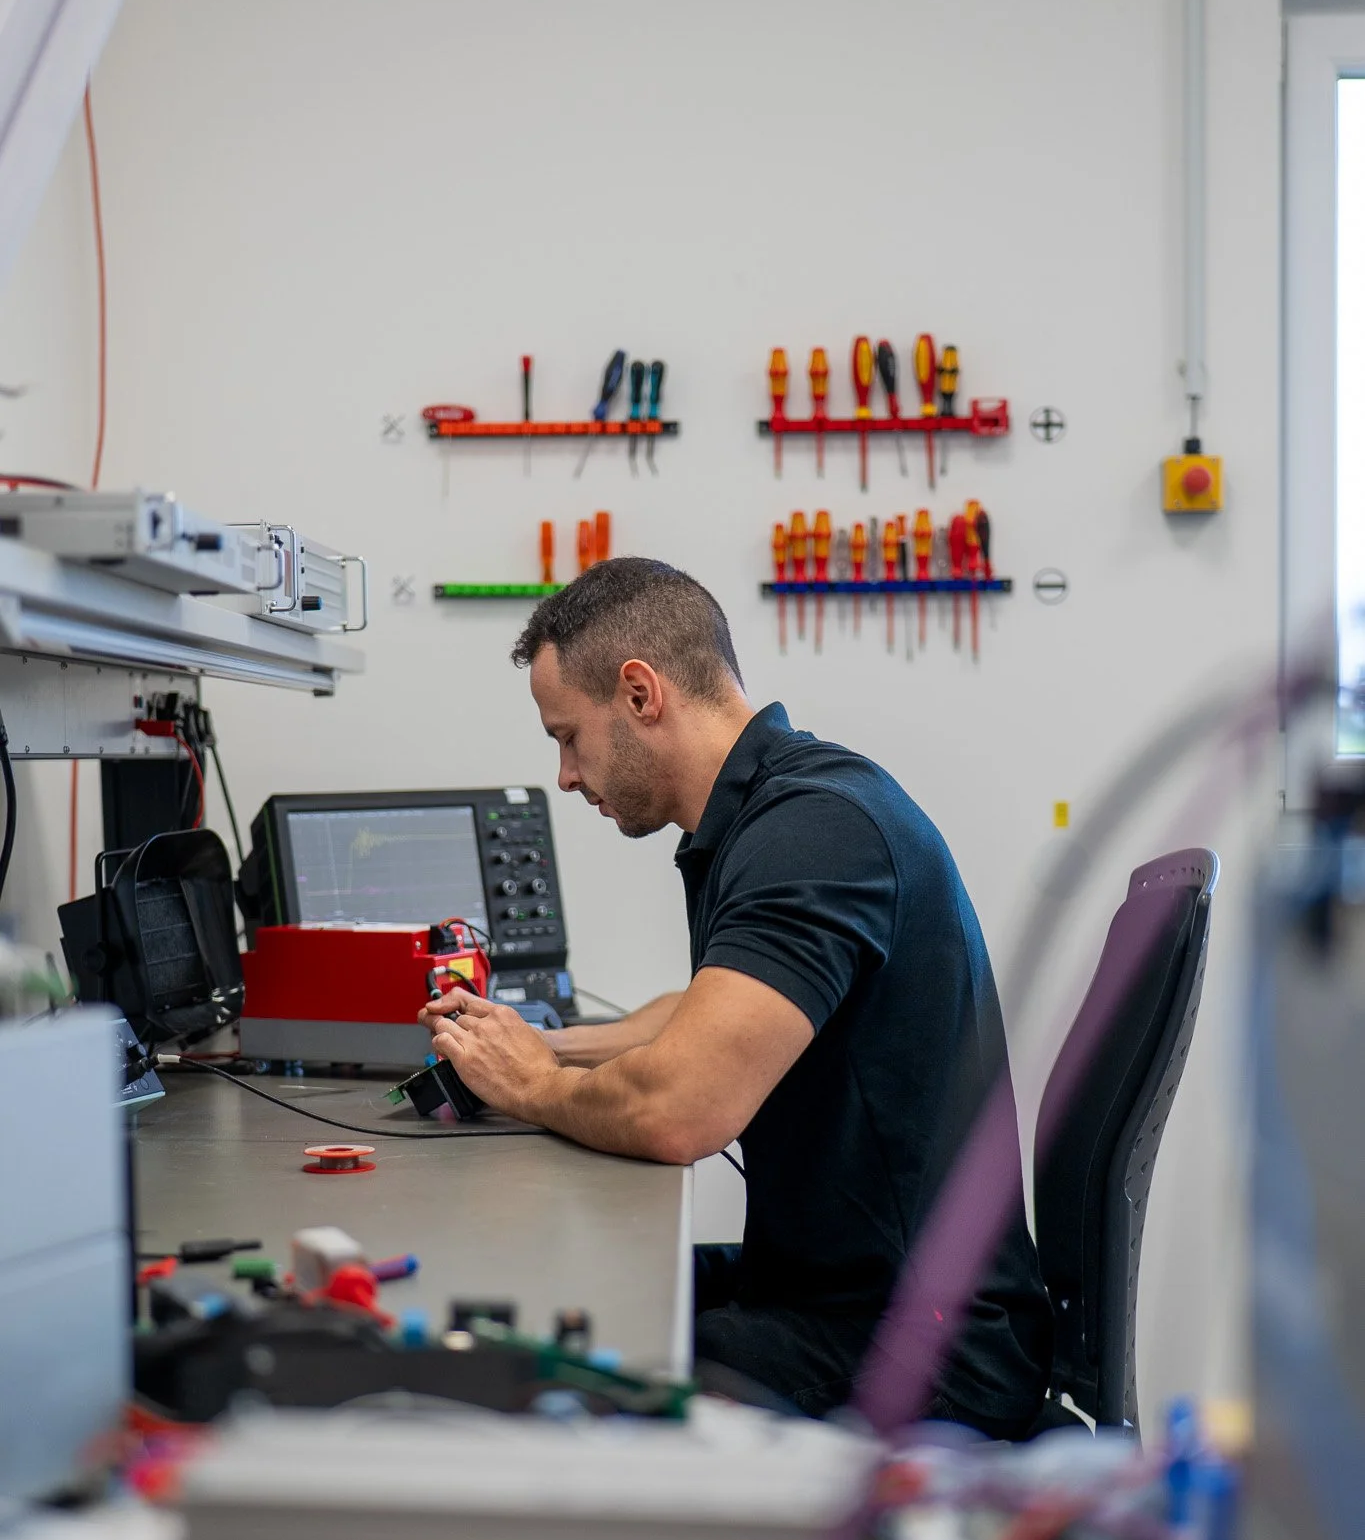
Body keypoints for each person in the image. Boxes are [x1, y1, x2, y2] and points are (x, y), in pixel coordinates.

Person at [419, 558, 1052, 1434]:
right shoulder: (781, 806)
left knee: (557, 1374)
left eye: (568, 737)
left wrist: (532, 1085)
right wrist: (536, 1044)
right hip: (836, 1290)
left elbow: (679, 1112)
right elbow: (704, 1010)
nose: (564, 774)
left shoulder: (813, 831)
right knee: (581, 1297)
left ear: (639, 694)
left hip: (924, 1347)